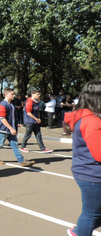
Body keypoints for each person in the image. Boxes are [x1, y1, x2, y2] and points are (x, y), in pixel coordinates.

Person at [65, 81, 101, 236]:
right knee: (91, 214)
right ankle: (80, 231)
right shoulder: (91, 121)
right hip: (92, 175)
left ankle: (79, 229)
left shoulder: (88, 116)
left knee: (93, 213)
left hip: (89, 172)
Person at [0, 88, 35, 167]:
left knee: (14, 144)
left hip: (11, 129)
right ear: (6, 95)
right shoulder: (2, 105)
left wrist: (14, 127)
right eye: (12, 94)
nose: (14, 95)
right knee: (0, 143)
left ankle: (21, 160)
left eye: (14, 94)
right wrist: (11, 128)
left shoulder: (11, 104)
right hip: (3, 129)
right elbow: (2, 118)